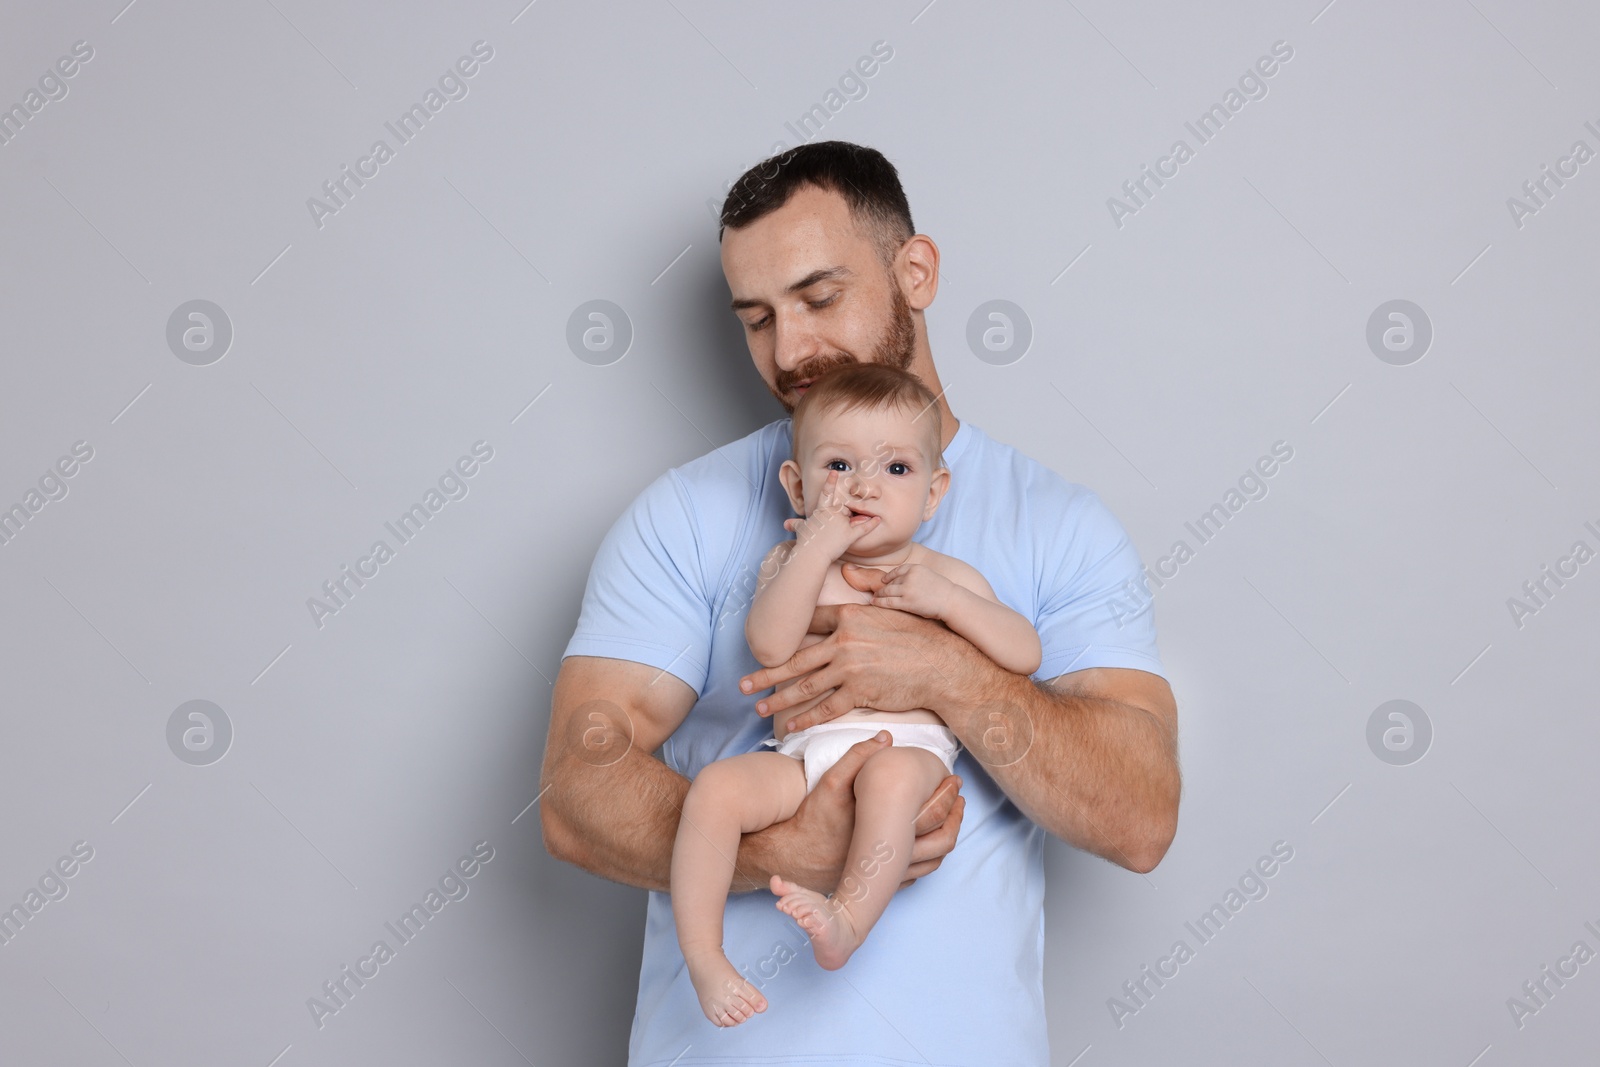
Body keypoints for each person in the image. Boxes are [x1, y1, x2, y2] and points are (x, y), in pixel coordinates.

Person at [543, 140, 1181, 1063]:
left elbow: (1140, 815)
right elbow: (576, 790)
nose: (790, 350)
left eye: (819, 296)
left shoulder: (1060, 523)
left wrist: (943, 670)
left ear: (914, 271)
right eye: (756, 318)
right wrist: (784, 850)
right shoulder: (683, 514)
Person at [671, 362, 1043, 1026]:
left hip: (904, 747)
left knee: (892, 782)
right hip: (801, 756)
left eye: (895, 469)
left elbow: (1024, 652)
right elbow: (771, 643)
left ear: (934, 493)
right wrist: (815, 550)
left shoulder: (941, 573)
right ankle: (704, 955)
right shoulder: (792, 565)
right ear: (798, 484)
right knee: (716, 790)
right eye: (839, 465)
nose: (864, 485)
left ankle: (846, 919)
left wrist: (951, 603)